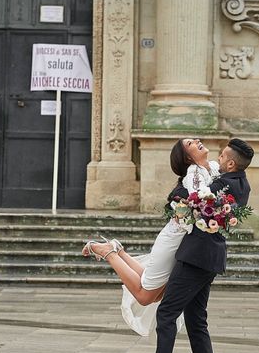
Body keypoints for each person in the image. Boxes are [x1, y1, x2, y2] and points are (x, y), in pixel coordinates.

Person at [122, 137, 254, 353]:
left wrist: (178, 196)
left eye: (223, 153)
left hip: (195, 257)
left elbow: (189, 198)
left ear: (230, 162)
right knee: (196, 321)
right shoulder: (242, 183)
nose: (217, 154)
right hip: (210, 257)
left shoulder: (219, 184)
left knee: (167, 314)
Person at [82, 138, 219, 336]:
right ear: (187, 158)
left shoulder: (209, 169)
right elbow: (198, 201)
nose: (197, 140)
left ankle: (119, 251)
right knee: (145, 296)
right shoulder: (194, 174)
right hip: (173, 240)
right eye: (190, 143)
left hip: (182, 243)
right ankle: (109, 252)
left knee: (157, 293)